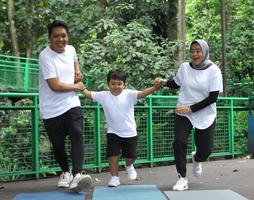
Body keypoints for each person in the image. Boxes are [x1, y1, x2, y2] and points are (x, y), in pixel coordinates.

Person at [156, 39, 223, 191]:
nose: (195, 54)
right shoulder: (185, 67)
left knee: (206, 150)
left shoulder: (214, 70)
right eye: (192, 51)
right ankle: (182, 178)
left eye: (198, 51)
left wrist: (191, 109)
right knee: (178, 142)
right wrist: (164, 82)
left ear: (204, 52)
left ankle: (198, 158)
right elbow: (177, 83)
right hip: (183, 111)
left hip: (205, 113)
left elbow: (213, 98)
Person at [76, 69, 160, 187]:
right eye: (113, 84)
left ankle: (129, 165)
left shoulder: (129, 94)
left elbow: (142, 93)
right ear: (108, 84)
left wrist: (154, 88)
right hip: (113, 132)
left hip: (130, 132)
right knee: (112, 156)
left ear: (123, 84)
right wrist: (81, 87)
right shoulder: (103, 95)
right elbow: (88, 94)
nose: (116, 86)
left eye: (119, 84)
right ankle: (114, 178)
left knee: (130, 157)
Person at [38, 20, 92, 192]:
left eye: (63, 35)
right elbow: (54, 85)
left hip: (71, 102)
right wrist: (77, 86)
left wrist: (78, 73)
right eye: (56, 36)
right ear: (49, 38)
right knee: (58, 145)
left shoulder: (71, 50)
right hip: (51, 108)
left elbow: (76, 66)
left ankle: (77, 175)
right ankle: (65, 172)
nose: (61, 39)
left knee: (77, 133)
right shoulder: (45, 56)